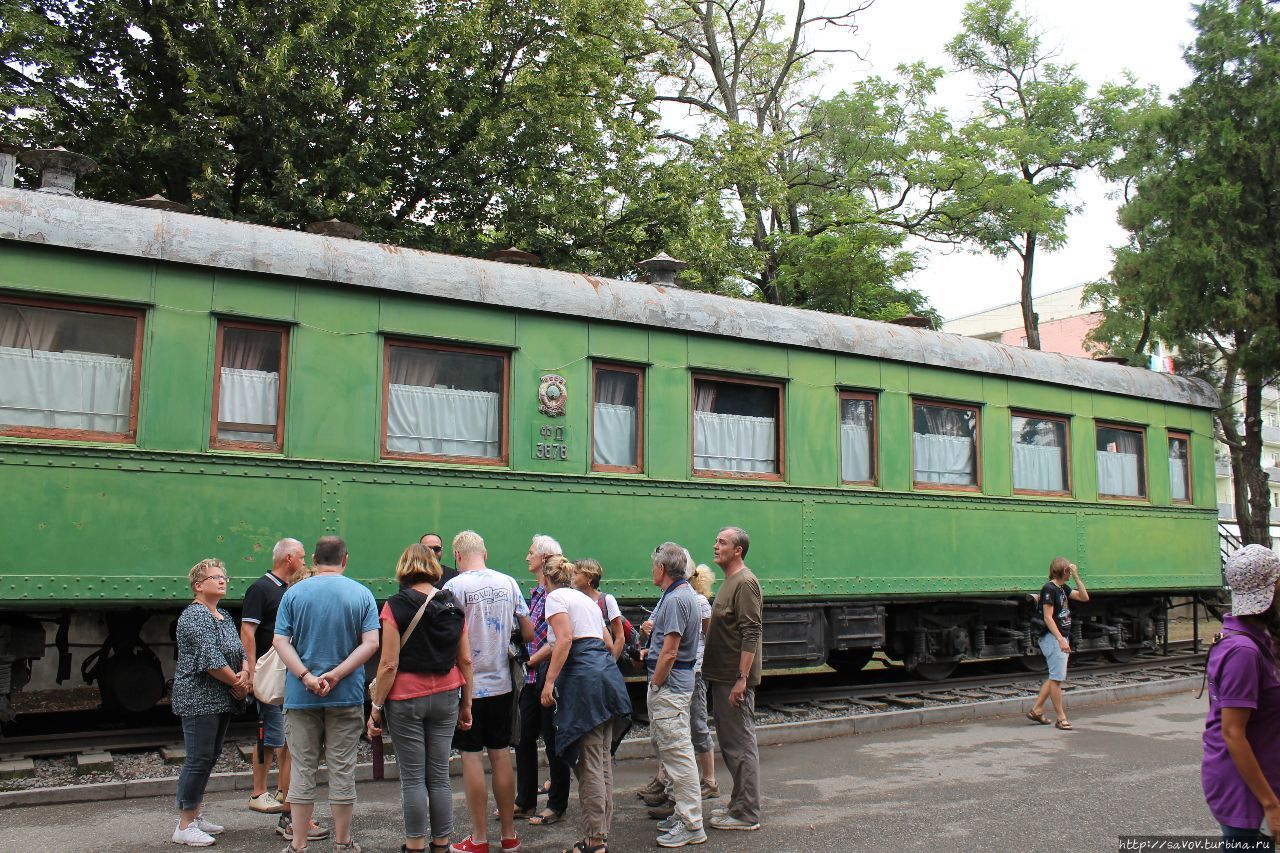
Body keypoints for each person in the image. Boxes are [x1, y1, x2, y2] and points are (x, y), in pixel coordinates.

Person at [273, 536, 380, 853]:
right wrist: (336, 674)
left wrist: (307, 676)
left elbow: (281, 641)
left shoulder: (294, 593)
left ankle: (298, 844)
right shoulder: (361, 594)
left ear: (315, 560)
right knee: (342, 770)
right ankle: (343, 842)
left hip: (300, 696)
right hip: (345, 694)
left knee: (302, 771)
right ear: (345, 559)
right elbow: (371, 644)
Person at [367, 544, 474, 853]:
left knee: (413, 778)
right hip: (446, 695)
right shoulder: (453, 605)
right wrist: (466, 704)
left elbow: (388, 663)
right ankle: (441, 844)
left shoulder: (395, 606)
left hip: (405, 699)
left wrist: (375, 707)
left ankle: (414, 845)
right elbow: (465, 661)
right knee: (439, 776)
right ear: (434, 568)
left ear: (404, 568)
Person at [443, 531, 534, 853]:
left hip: (468, 687)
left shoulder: (453, 587)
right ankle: (509, 836)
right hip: (503, 684)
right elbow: (527, 630)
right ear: (485, 552)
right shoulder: (508, 582)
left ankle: (479, 838)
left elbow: (448, 638)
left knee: (471, 757)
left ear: (457, 555)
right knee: (500, 755)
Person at [540, 556, 632, 853]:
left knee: (590, 767)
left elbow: (564, 639)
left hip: (585, 687)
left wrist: (550, 682)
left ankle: (595, 842)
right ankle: (599, 835)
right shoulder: (589, 602)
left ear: (546, 580)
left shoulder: (555, 598)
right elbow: (608, 642)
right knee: (602, 764)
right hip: (607, 682)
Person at [240, 538, 329, 845]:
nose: (304, 562)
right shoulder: (262, 589)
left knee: (286, 743)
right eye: (302, 558)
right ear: (289, 558)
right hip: (274, 675)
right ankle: (261, 793)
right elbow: (248, 631)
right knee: (271, 736)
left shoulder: (286, 591)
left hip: (285, 675)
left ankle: (282, 794)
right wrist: (251, 668)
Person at [1203, 545, 1280, 848]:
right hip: (1244, 789)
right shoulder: (1243, 652)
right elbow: (1233, 733)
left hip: (1258, 778)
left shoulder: (1257, 638)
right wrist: (1271, 805)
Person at [170, 558, 248, 847]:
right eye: (215, 577)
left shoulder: (223, 616)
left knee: (208, 757)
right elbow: (211, 660)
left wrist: (245, 673)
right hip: (198, 699)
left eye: (224, 576)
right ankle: (185, 824)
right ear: (198, 586)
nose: (222, 580)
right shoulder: (194, 617)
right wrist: (238, 683)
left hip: (220, 698)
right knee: (198, 759)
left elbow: (240, 650)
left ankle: (195, 814)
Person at [643, 543, 707, 848]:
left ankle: (692, 823)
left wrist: (655, 683)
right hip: (675, 684)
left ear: (662, 568)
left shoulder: (676, 600)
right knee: (673, 751)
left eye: (654, 564)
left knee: (679, 755)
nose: (652, 569)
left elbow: (670, 652)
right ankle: (684, 814)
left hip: (670, 687)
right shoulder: (681, 596)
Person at [702, 526, 763, 832]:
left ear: (737, 550)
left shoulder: (745, 583)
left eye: (722, 542)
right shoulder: (730, 581)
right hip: (723, 675)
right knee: (731, 744)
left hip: (733, 679)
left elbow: (752, 631)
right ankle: (738, 804)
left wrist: (741, 679)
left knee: (740, 744)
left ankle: (747, 813)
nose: (715, 546)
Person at [517, 535, 572, 828]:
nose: (527, 557)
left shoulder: (557, 596)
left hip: (546, 672)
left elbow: (558, 640)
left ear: (545, 557)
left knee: (553, 740)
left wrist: (532, 661)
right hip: (531, 675)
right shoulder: (538, 593)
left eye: (530, 552)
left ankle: (556, 804)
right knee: (524, 737)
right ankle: (524, 800)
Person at [1026, 557, 1089, 730]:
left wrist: (1077, 577)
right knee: (1057, 679)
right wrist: (1060, 639)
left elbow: (1084, 597)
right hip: (1053, 638)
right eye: (1069, 570)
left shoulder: (1063, 588)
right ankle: (1061, 718)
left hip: (1060, 637)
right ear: (1062, 571)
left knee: (1055, 676)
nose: (1070, 572)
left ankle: (1036, 710)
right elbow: (1047, 617)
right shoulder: (1049, 589)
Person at [688, 563, 718, 799]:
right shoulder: (693, 599)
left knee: (698, 724)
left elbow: (707, 637)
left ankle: (709, 780)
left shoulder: (699, 603)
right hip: (692, 669)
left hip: (695, 670)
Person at [571, 559, 625, 659]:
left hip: (603, 660)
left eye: (576, 573)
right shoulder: (574, 600)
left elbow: (620, 637)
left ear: (589, 578)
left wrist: (611, 663)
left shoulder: (607, 600)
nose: (572, 577)